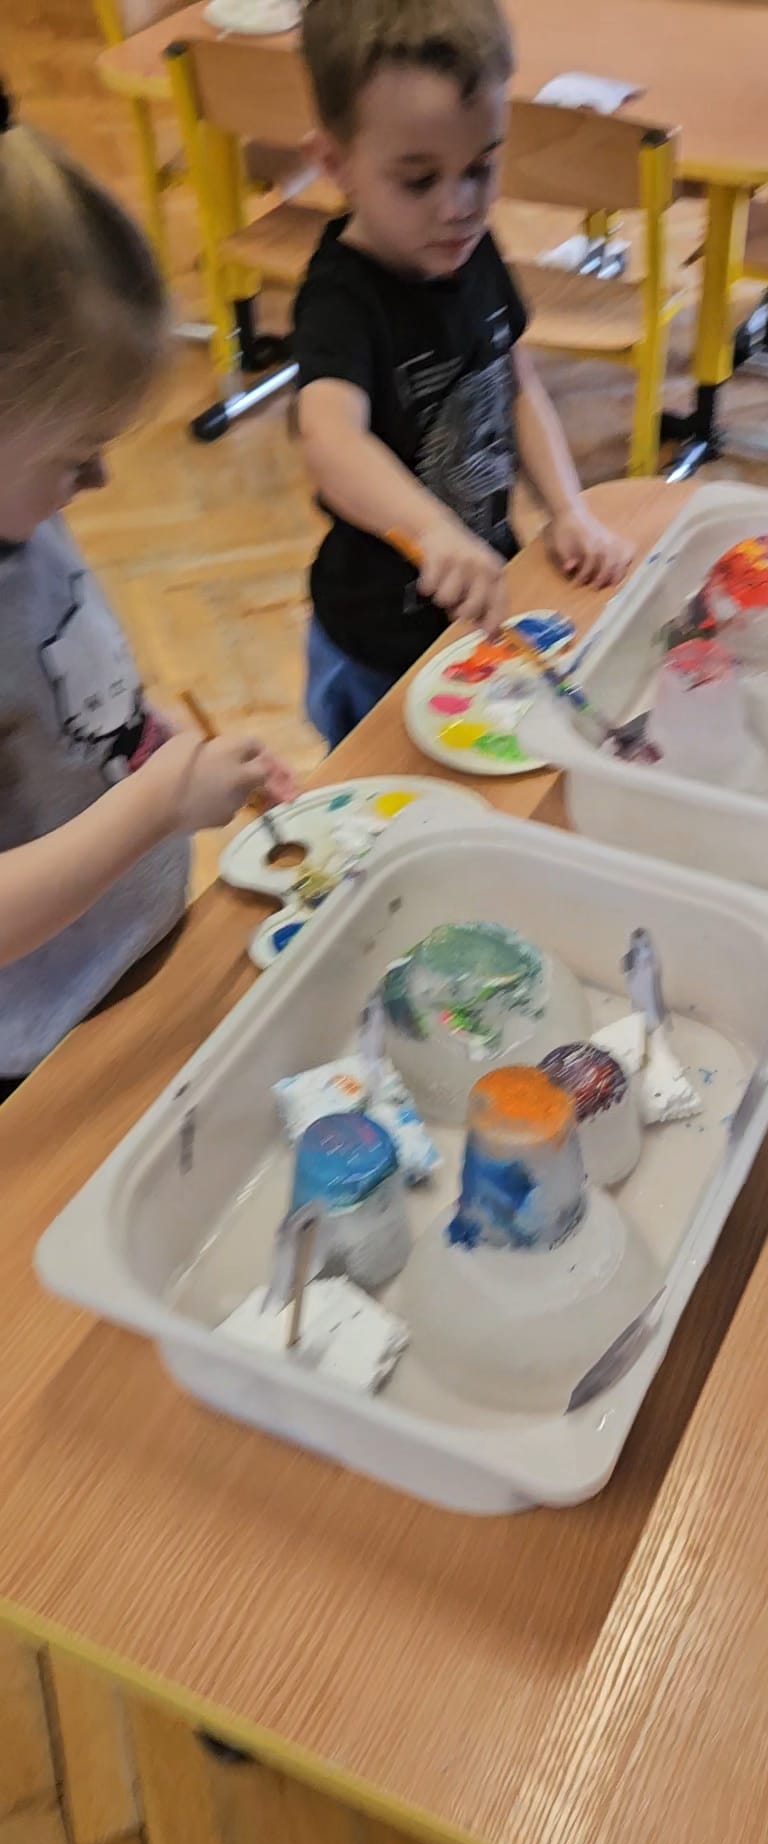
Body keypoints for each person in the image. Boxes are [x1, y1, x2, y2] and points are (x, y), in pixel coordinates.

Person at [0, 91, 295, 1096]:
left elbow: (69, 704)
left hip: (134, 965)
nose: (99, 483)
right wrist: (159, 805)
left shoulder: (22, 509)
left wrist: (159, 745)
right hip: (44, 1054)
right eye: (77, 453)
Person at [294, 0, 636, 749]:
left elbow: (519, 386)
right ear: (335, 164)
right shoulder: (340, 299)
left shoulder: (470, 247)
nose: (460, 207)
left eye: (481, 168)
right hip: (375, 648)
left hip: (479, 616)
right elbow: (330, 440)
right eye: (418, 181)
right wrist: (431, 532)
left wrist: (568, 511)